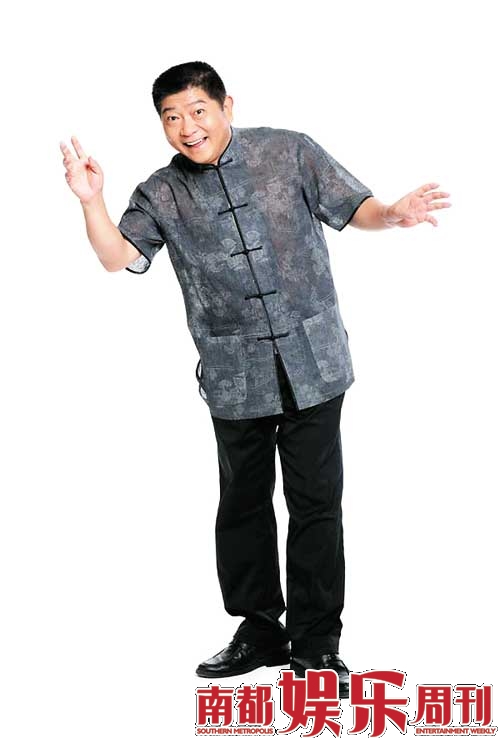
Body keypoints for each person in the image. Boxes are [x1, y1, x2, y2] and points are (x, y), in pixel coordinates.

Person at [60, 61, 450, 698]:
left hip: (313, 361)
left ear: (226, 106)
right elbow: (116, 257)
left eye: (198, 111)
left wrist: (393, 212)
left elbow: (355, 208)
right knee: (242, 503)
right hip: (233, 373)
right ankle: (261, 630)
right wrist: (90, 200)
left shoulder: (288, 151)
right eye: (171, 117)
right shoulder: (160, 192)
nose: (187, 127)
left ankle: (317, 645)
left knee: (315, 502)